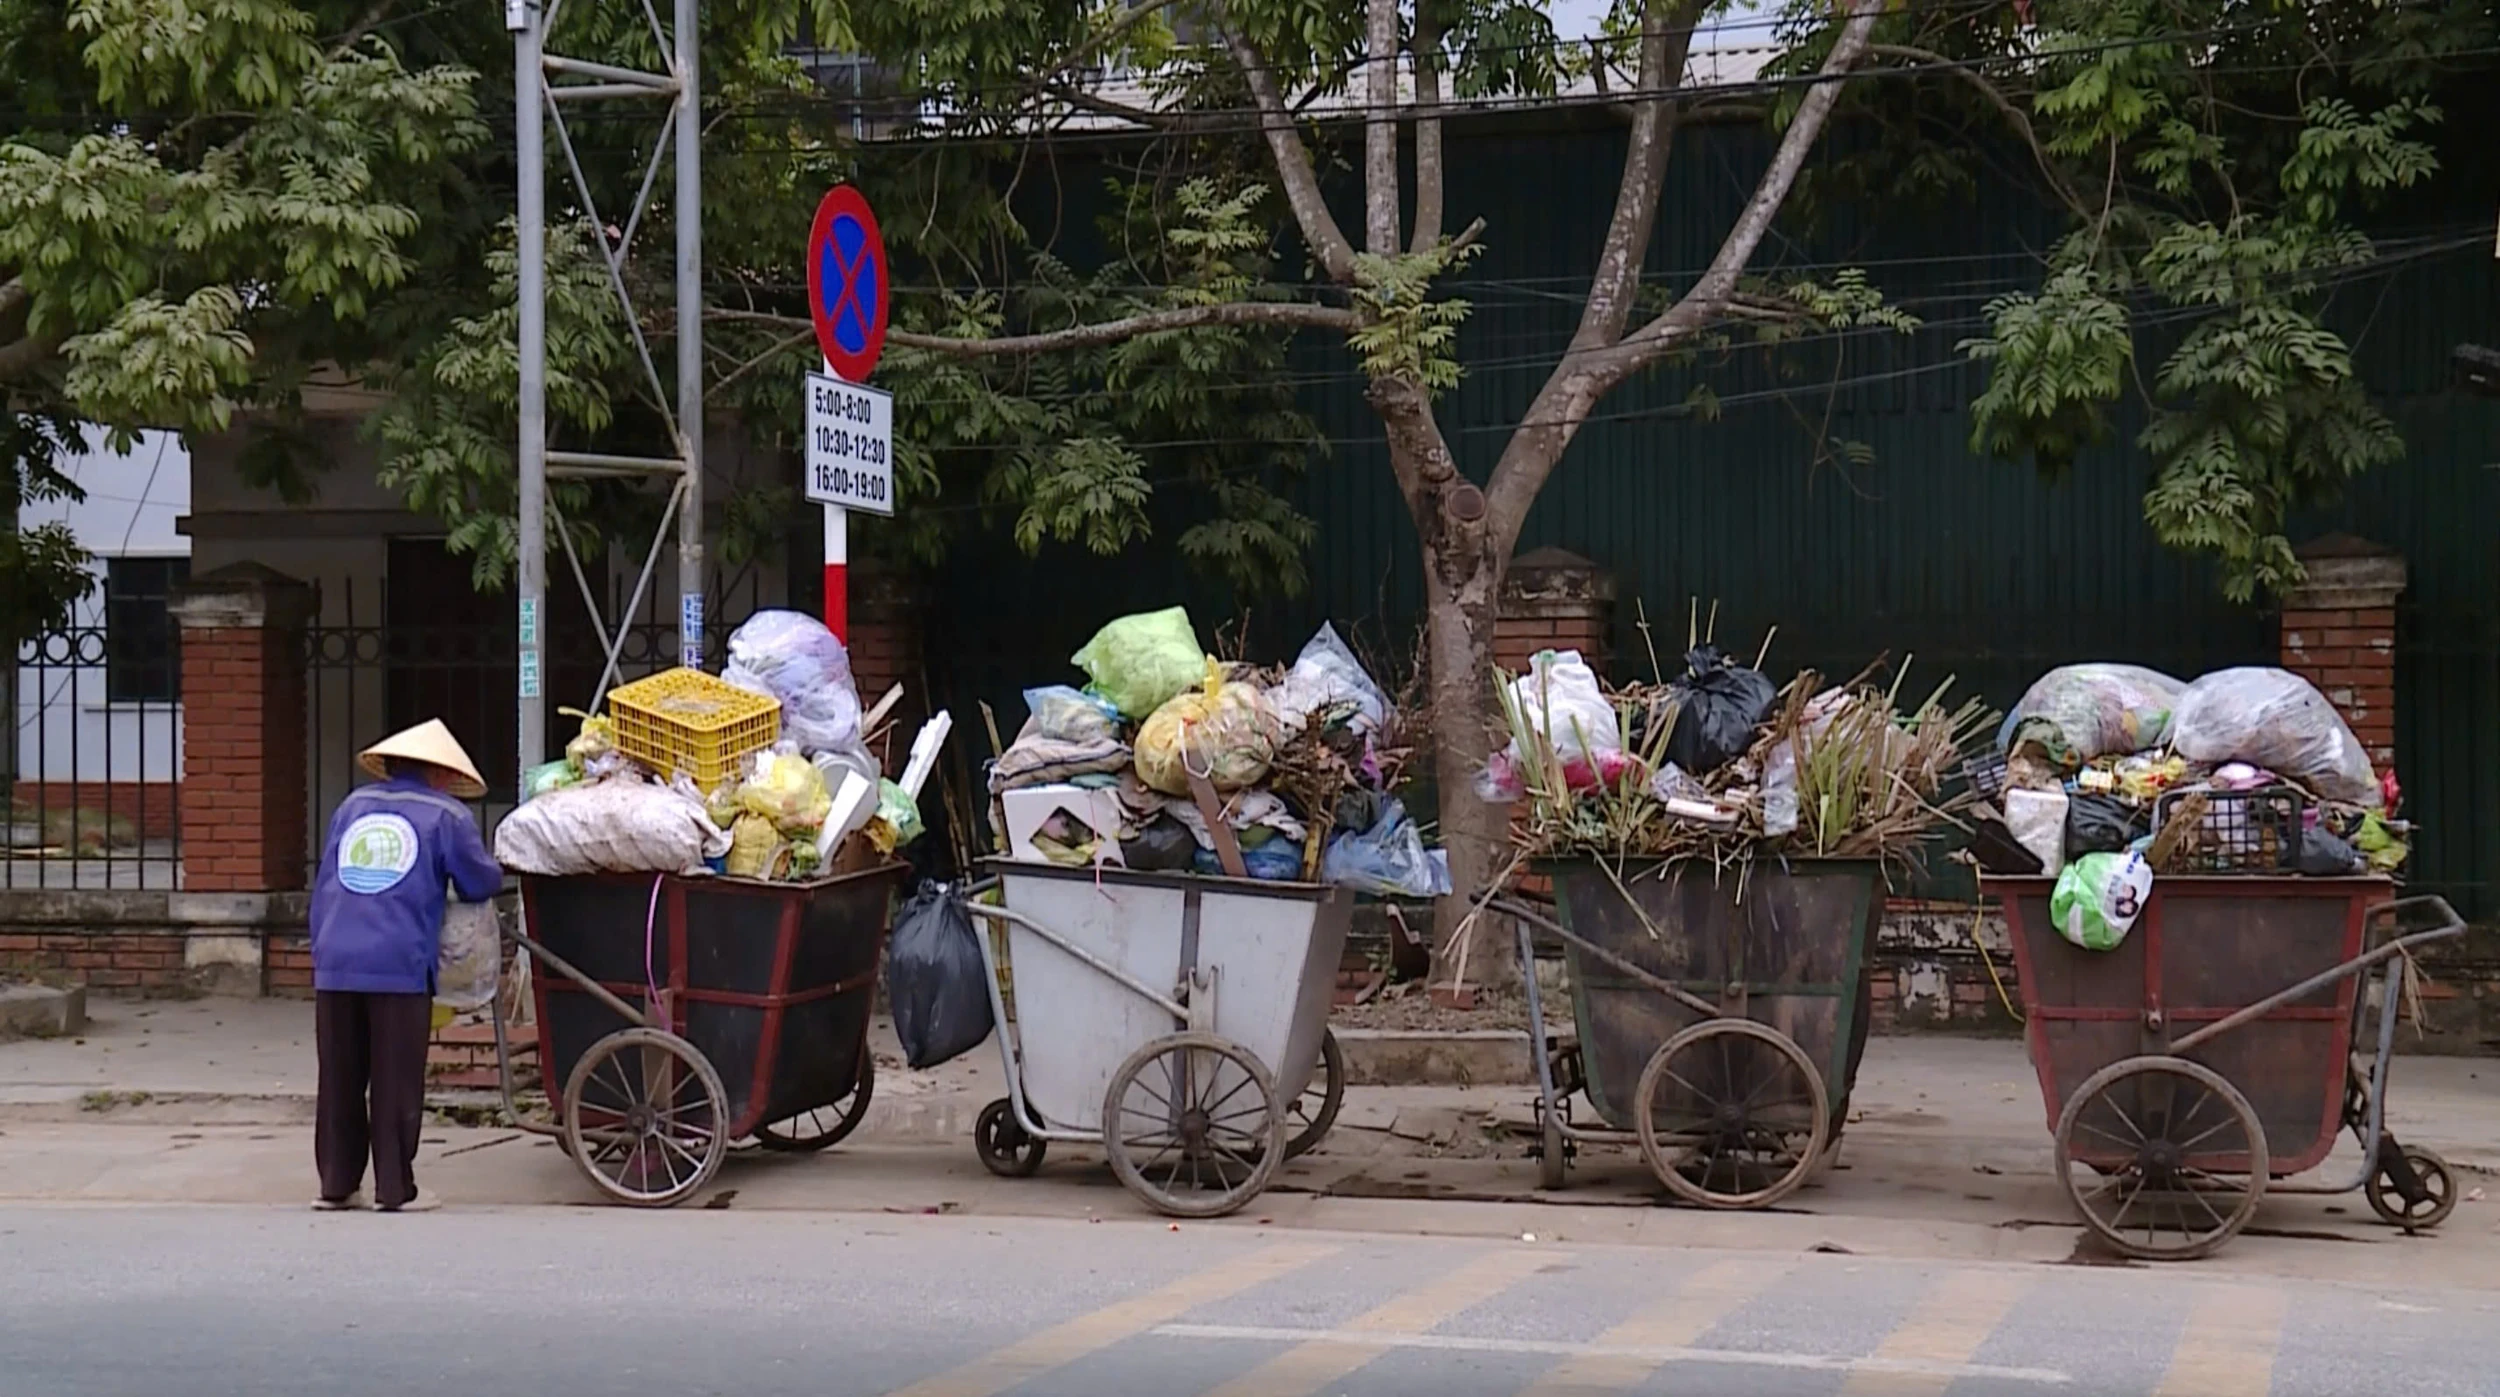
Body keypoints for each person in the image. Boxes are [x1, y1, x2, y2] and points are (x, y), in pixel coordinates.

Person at [308, 719, 502, 1213]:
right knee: (394, 1080)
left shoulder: (351, 806)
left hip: (334, 958)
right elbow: (480, 883)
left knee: (340, 1076)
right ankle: (394, 1190)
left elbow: (329, 876)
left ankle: (336, 1186)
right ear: (440, 772)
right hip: (398, 960)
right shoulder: (447, 814)